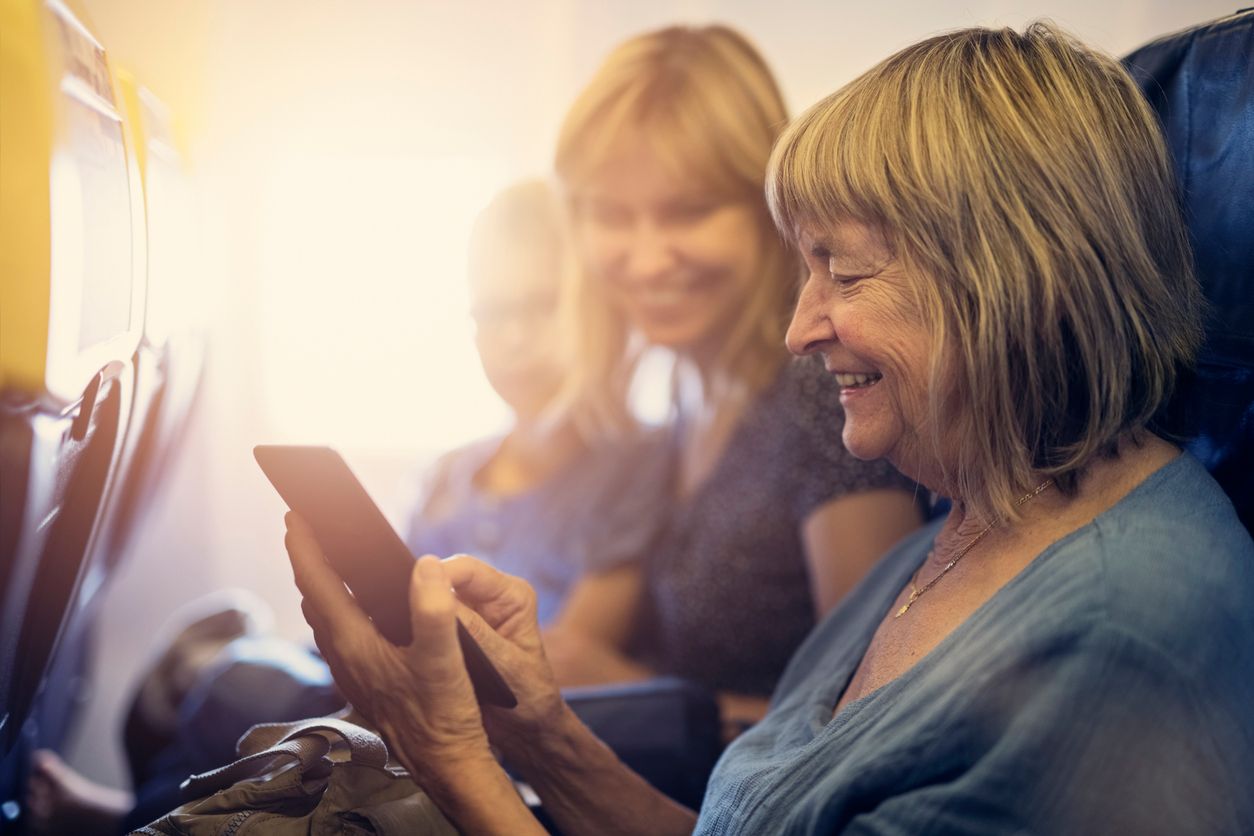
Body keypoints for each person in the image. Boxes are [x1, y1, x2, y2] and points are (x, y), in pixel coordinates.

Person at [285, 21, 1254, 835]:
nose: (800, 330)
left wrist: (451, 751)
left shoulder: (1116, 636)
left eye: (846, 270)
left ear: (1011, 277)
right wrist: (537, 728)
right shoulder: (945, 536)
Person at [537, 25, 923, 730]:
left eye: (688, 211)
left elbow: (869, 715)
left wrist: (647, 699)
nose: (647, 260)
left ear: (767, 210)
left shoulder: (823, 387)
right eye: (613, 216)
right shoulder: (682, 394)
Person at [403, 179, 667, 627]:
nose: (514, 338)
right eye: (491, 312)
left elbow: (566, 653)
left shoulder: (637, 469)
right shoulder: (444, 477)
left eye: (544, 306)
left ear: (599, 309)